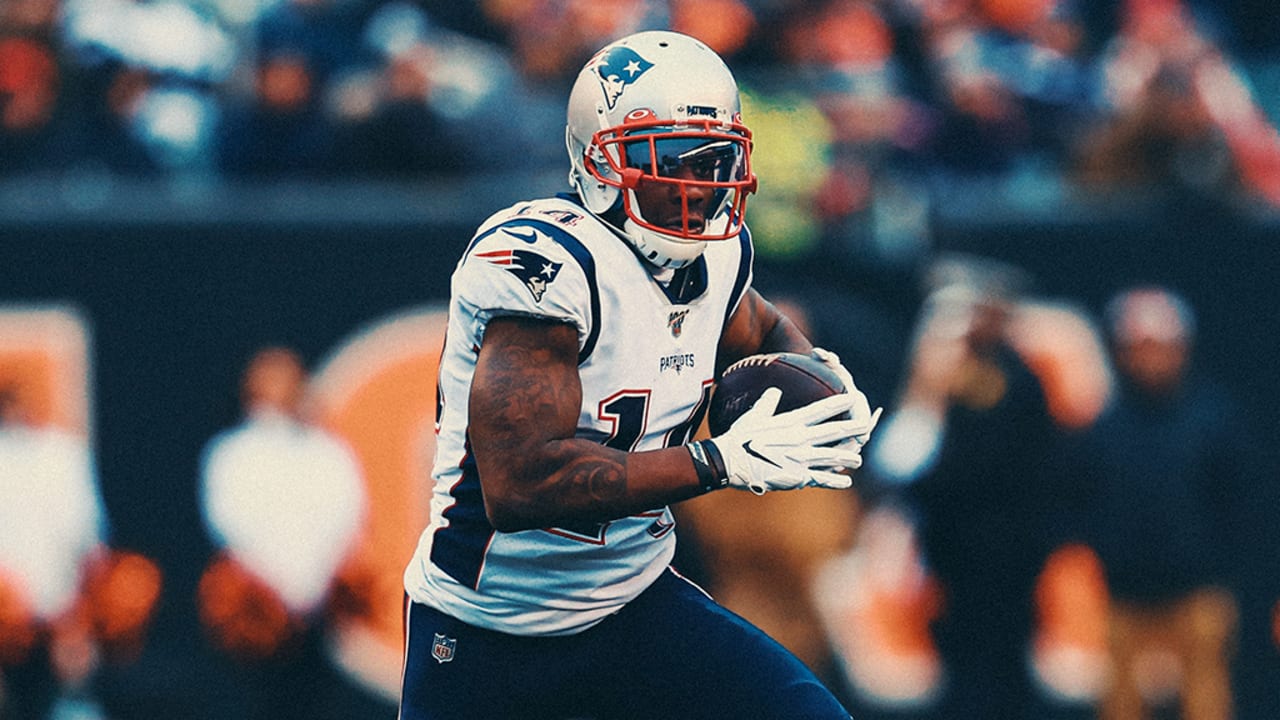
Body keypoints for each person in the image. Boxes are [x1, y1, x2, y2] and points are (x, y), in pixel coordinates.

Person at [399, 30, 879, 720]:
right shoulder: (548, 267)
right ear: (600, 164)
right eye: (674, 158)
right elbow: (522, 481)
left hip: (633, 603)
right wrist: (719, 461)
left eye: (714, 159)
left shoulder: (716, 257)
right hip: (490, 633)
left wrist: (822, 388)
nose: (701, 183)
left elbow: (761, 330)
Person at [863, 256, 1068, 720]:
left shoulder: (1020, 380)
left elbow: (1014, 467)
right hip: (952, 553)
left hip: (1006, 551)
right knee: (959, 665)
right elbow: (898, 464)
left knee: (1005, 664)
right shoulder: (936, 378)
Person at [1075, 286, 1248, 720]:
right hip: (1122, 594)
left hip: (1198, 591)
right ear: (1121, 352)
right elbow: (1079, 499)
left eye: (1161, 347)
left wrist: (1220, 562)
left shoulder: (1214, 418)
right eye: (1139, 348)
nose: (1151, 359)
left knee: (1207, 699)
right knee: (1119, 702)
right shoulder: (1103, 425)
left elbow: (1241, 498)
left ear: (1182, 349)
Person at [196, 346, 382, 720]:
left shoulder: (328, 452)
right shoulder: (231, 453)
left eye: (289, 378)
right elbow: (229, 524)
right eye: (270, 380)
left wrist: (317, 587)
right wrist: (274, 592)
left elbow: (350, 518)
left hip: (319, 617)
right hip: (258, 618)